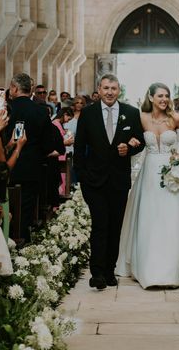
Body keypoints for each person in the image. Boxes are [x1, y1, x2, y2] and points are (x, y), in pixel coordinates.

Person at [116, 82, 179, 289]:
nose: (164, 99)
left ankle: (172, 269)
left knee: (171, 217)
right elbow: (130, 137)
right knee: (149, 216)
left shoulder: (176, 118)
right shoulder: (141, 118)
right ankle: (147, 268)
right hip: (149, 173)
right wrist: (131, 141)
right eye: (160, 96)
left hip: (172, 174)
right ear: (150, 97)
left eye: (166, 96)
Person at [74, 74, 145, 290]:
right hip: (94, 181)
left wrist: (130, 148)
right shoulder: (87, 114)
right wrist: (83, 178)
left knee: (115, 226)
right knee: (100, 225)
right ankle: (96, 273)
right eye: (106, 88)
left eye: (114, 88)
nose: (110, 92)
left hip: (119, 180)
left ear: (119, 90)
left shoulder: (131, 113)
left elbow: (140, 142)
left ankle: (109, 269)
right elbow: (79, 148)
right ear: (99, 89)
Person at [6, 73, 54, 239]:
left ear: (15, 88)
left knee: (6, 207)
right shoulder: (41, 112)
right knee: (26, 209)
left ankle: (6, 239)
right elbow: (49, 144)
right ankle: (22, 241)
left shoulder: (6, 109)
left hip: (6, 166)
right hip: (32, 167)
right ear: (30, 89)